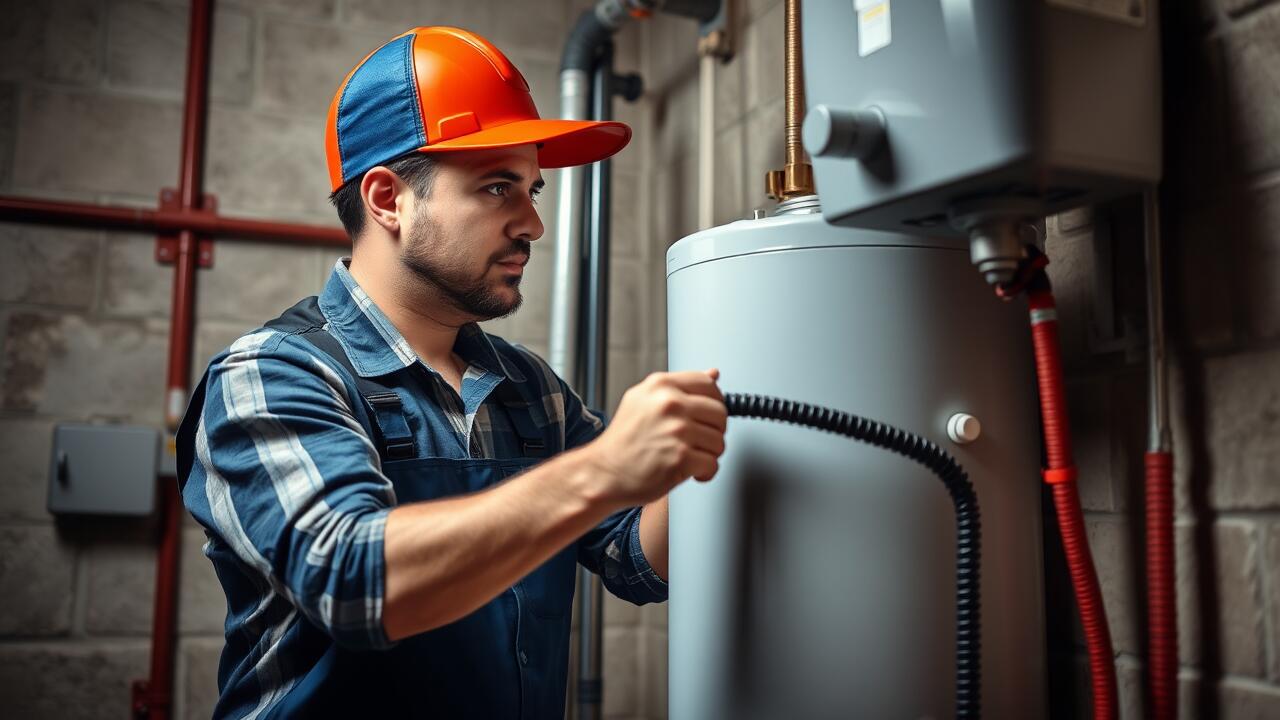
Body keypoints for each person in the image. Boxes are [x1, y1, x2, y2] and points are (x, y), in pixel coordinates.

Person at [176, 25, 727, 719]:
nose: (532, 223)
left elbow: (635, 560)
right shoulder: (275, 375)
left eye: (533, 189)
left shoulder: (530, 391)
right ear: (387, 200)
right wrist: (605, 468)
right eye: (498, 187)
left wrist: (710, 438)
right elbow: (355, 581)